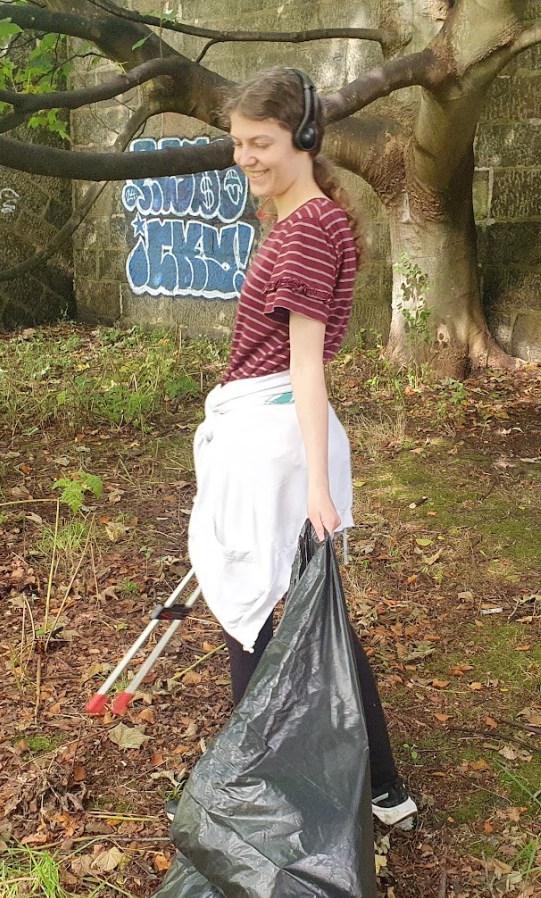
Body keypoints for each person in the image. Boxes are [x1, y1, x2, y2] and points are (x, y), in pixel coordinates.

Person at [186, 66, 417, 827]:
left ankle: (259, 796)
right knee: (323, 624)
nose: (245, 157)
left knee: (249, 615)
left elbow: (306, 365)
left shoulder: (310, 231)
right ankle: (384, 789)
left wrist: (318, 487)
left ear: (305, 140)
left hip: (281, 447)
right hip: (275, 438)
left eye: (261, 142)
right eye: (237, 144)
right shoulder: (302, 223)